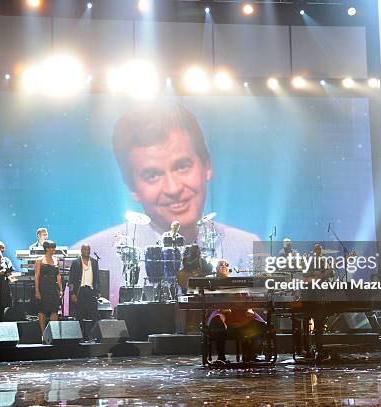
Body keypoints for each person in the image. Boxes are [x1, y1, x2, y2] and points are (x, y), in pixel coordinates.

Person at [74, 103, 259, 306]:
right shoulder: (96, 255)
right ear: (132, 188)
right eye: (152, 175)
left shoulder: (248, 248)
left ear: (207, 166)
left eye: (182, 166)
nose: (173, 189)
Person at [206, 259, 266, 363]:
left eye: (226, 265)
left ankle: (251, 354)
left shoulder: (236, 282)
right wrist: (221, 308)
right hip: (224, 314)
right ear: (216, 269)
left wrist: (250, 309)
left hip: (240, 313)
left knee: (259, 323)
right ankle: (221, 357)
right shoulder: (212, 283)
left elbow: (247, 299)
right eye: (221, 265)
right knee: (217, 322)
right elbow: (210, 300)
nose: (224, 266)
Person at [69, 244, 100, 339]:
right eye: (84, 249)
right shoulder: (76, 263)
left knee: (94, 314)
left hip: (90, 291)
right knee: (80, 315)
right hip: (80, 291)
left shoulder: (94, 262)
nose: (86, 251)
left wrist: (98, 291)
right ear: (81, 250)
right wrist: (72, 293)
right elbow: (71, 280)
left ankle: (94, 336)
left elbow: (97, 278)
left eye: (88, 249)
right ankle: (79, 337)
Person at [35, 240, 63, 333]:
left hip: (53, 287)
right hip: (43, 287)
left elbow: (58, 275)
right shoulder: (39, 260)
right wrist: (37, 291)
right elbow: (37, 276)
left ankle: (53, 333)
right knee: (42, 310)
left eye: (54, 247)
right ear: (47, 248)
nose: (54, 249)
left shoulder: (56, 260)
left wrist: (61, 289)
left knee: (54, 310)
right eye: (52, 247)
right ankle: (43, 334)